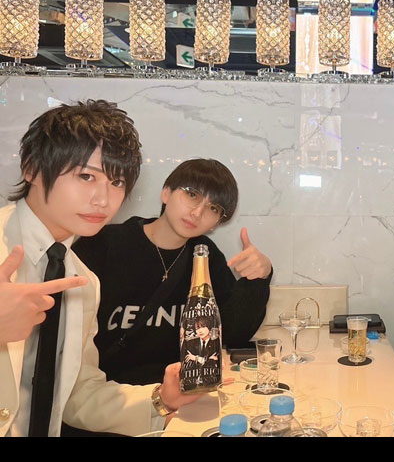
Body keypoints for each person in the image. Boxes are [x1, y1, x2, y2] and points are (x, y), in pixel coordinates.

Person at [0, 100, 197, 437]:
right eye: (86, 176)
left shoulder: (83, 280)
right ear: (31, 168)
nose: (103, 200)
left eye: (117, 182)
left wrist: (161, 399)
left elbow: (77, 395)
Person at [70, 158, 271, 388]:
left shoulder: (204, 256)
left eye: (213, 208)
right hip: (103, 394)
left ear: (216, 223)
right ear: (166, 193)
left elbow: (232, 333)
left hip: (176, 391)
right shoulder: (102, 245)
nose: (197, 212)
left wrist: (260, 277)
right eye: (192, 195)